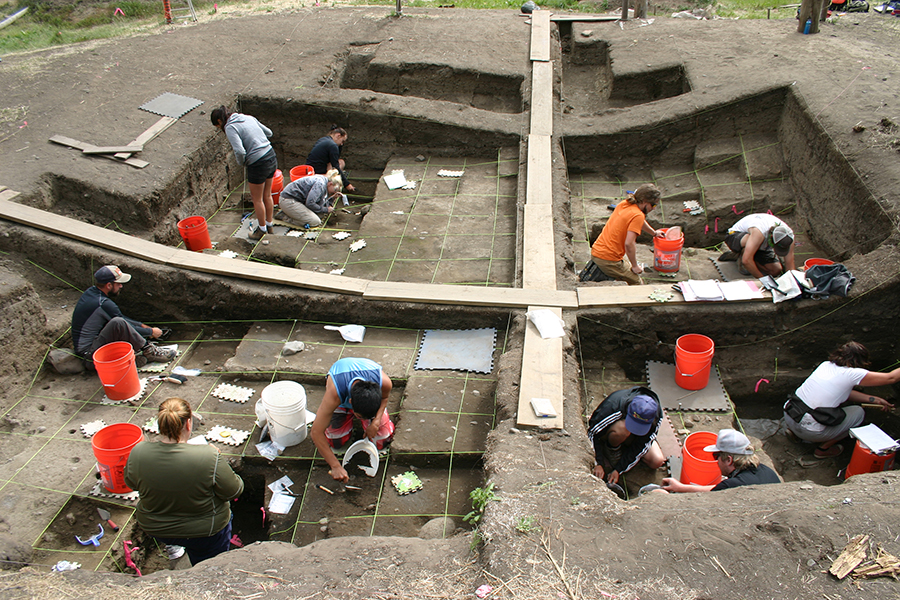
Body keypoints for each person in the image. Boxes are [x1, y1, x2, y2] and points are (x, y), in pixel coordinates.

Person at [124, 398, 244, 566]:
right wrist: (217, 462)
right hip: (206, 532)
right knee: (207, 566)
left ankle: (174, 547)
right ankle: (205, 570)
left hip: (157, 528)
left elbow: (131, 483)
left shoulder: (138, 452)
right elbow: (233, 491)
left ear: (160, 425)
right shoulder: (208, 456)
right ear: (188, 424)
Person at [784, 341, 899, 458]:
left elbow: (843, 392)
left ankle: (795, 433)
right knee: (858, 413)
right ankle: (822, 449)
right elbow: (891, 378)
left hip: (789, 416)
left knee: (811, 406)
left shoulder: (825, 365)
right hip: (810, 431)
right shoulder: (852, 373)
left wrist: (874, 399)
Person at [71, 265, 176, 368]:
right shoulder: (103, 303)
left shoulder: (92, 293)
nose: (121, 286)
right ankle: (149, 351)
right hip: (90, 357)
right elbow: (121, 323)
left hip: (95, 347)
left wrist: (142, 326)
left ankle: (131, 358)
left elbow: (123, 319)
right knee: (117, 323)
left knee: (118, 322)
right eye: (118, 284)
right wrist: (150, 332)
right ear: (109, 285)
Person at [310, 357, 394, 483]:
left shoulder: (384, 382)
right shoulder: (335, 394)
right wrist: (335, 466)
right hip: (341, 395)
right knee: (336, 441)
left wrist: (375, 422)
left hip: (364, 393)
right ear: (350, 403)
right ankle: (348, 416)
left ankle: (372, 420)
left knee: (382, 439)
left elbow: (385, 398)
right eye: (360, 416)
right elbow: (316, 432)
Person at [211, 106, 278, 241]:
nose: (219, 129)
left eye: (218, 126)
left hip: (257, 163)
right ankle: (270, 226)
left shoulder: (230, 127)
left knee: (257, 199)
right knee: (267, 194)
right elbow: (269, 133)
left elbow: (240, 151)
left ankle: (261, 230)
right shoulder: (248, 117)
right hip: (271, 155)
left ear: (219, 121)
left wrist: (242, 162)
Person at [660, 429, 780, 493]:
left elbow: (719, 490)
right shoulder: (766, 471)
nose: (716, 461)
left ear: (729, 460)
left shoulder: (734, 485)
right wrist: (681, 487)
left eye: (716, 456)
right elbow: (720, 488)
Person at [590, 184, 664, 285]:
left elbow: (640, 220)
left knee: (626, 270)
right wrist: (634, 266)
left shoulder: (625, 204)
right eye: (653, 205)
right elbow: (629, 244)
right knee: (637, 283)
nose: (654, 208)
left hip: (598, 250)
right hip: (608, 259)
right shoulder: (638, 215)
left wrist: (654, 233)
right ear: (644, 201)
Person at [587, 387, 665, 484]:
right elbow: (592, 433)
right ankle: (611, 450)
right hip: (610, 432)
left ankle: (623, 453)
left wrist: (618, 470)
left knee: (657, 460)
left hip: (634, 438)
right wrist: (598, 463)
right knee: (623, 429)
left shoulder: (655, 416)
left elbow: (642, 445)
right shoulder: (613, 406)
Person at [723, 213, 795, 278]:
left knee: (776, 270)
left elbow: (790, 265)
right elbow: (746, 260)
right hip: (735, 236)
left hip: (760, 244)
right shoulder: (759, 232)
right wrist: (763, 280)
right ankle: (742, 253)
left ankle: (753, 256)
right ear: (771, 237)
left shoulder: (788, 236)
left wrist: (793, 281)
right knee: (749, 243)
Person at [276, 169, 343, 228]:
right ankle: (285, 217)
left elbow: (319, 203)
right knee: (315, 221)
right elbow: (310, 204)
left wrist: (332, 198)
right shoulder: (320, 184)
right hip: (288, 200)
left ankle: (290, 212)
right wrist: (326, 209)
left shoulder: (323, 181)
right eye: (335, 189)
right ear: (330, 184)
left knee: (319, 213)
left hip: (296, 200)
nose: (334, 192)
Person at [305, 125, 356, 193]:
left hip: (309, 169)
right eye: (342, 141)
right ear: (338, 135)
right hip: (316, 175)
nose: (341, 144)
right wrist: (347, 184)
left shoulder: (324, 139)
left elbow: (335, 160)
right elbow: (336, 166)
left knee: (341, 162)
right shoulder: (332, 145)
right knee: (336, 173)